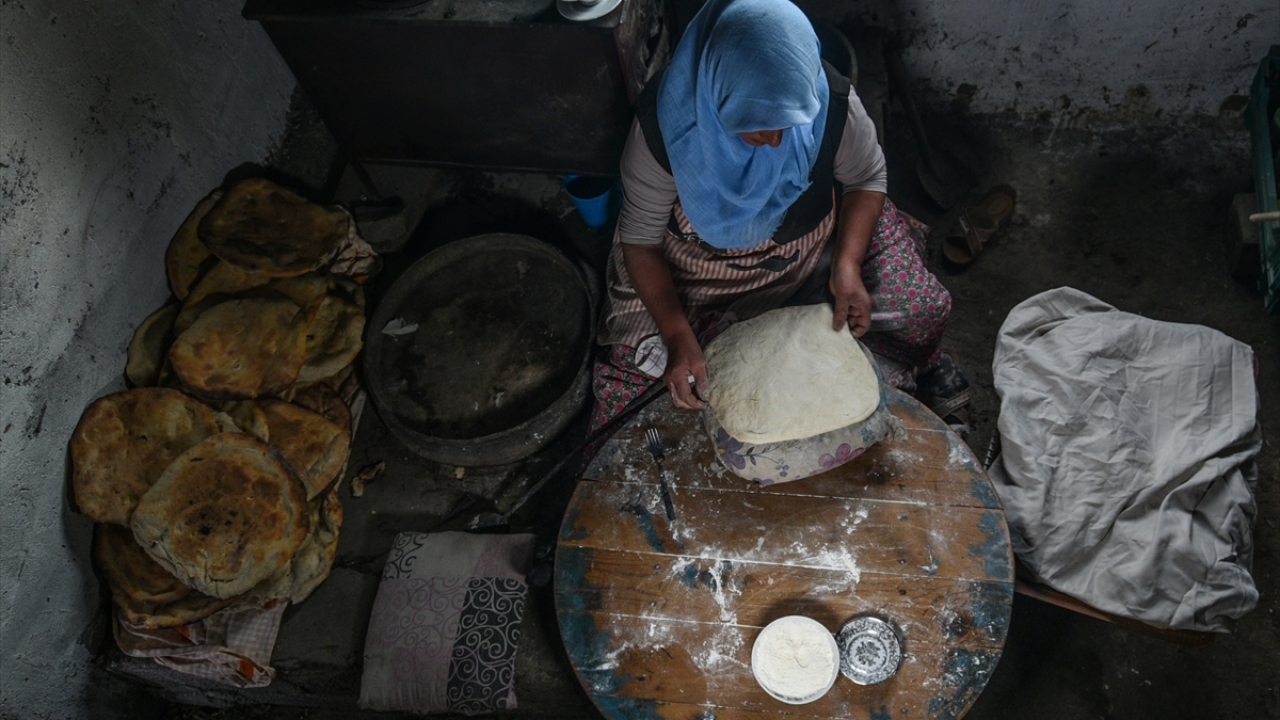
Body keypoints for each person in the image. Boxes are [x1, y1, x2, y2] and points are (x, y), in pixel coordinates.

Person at [590, 0, 965, 431]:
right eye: (754, 124)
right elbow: (641, 241)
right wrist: (675, 332)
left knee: (919, 309)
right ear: (716, 97)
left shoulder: (826, 100)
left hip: (808, 257)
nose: (773, 141)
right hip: (693, 274)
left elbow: (866, 178)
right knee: (640, 386)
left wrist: (847, 265)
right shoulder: (664, 126)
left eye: (787, 125)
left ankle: (917, 369)